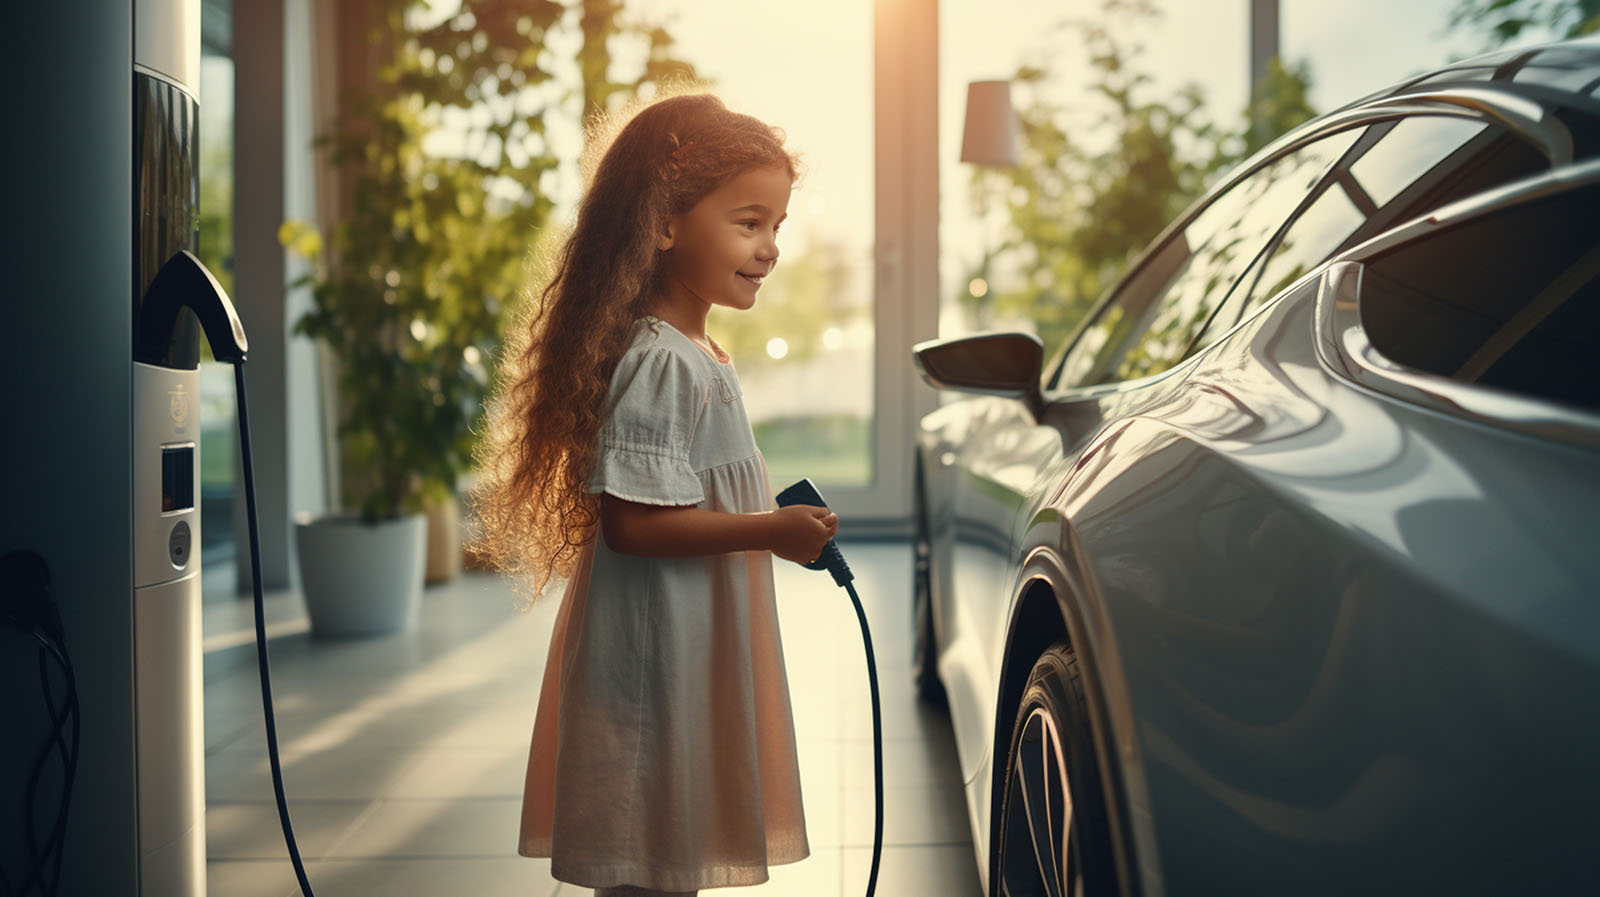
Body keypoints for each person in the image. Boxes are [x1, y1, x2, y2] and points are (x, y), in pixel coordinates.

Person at [467, 93, 839, 897]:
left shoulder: (700, 352)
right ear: (665, 223)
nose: (770, 247)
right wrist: (769, 527)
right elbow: (634, 526)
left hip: (688, 635)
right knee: (648, 845)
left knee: (669, 842)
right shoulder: (663, 360)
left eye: (776, 224)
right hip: (655, 646)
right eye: (748, 222)